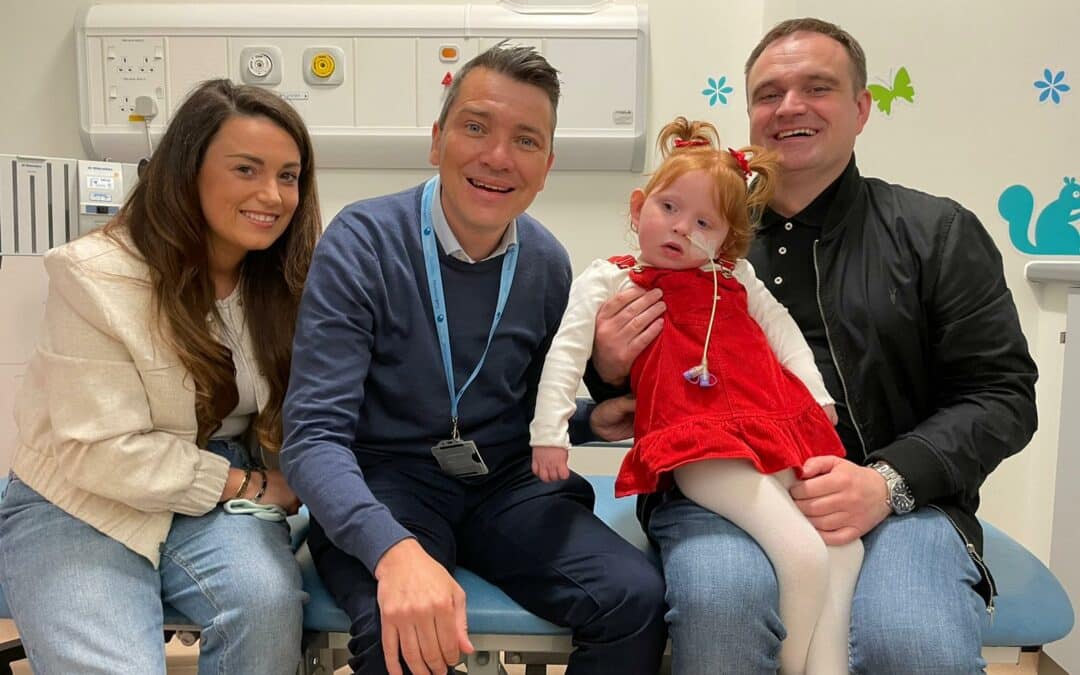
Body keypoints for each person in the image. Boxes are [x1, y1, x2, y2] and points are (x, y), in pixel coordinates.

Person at [589, 18, 1039, 675]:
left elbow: (1002, 394)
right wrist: (608, 370)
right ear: (750, 115)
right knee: (722, 608)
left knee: (911, 644)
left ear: (861, 109)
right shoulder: (700, 235)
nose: (790, 106)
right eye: (769, 93)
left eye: (817, 88)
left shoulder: (936, 232)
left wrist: (888, 480)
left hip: (906, 503)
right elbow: (641, 385)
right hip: (725, 485)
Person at [280, 43, 666, 675]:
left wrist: (588, 423)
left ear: (546, 165)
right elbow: (313, 438)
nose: (496, 156)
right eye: (476, 127)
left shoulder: (545, 262)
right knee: (401, 629)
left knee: (634, 599)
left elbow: (523, 408)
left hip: (505, 485)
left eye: (526, 140)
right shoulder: (363, 243)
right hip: (386, 482)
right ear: (437, 140)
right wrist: (393, 551)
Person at [0, 79, 321, 673]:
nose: (272, 195)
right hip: (79, 495)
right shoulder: (92, 277)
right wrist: (251, 486)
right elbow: (102, 455)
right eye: (246, 169)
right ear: (187, 171)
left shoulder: (287, 282)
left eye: (288, 175)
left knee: (267, 609)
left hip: (210, 482)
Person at [531, 116, 862, 674]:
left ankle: (823, 667)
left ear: (727, 239)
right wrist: (551, 434)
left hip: (775, 425)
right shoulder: (610, 278)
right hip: (701, 448)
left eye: (704, 221)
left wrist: (818, 398)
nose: (682, 228)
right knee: (803, 554)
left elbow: (783, 332)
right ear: (638, 208)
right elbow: (564, 355)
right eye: (668, 208)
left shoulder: (736, 276)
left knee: (843, 548)